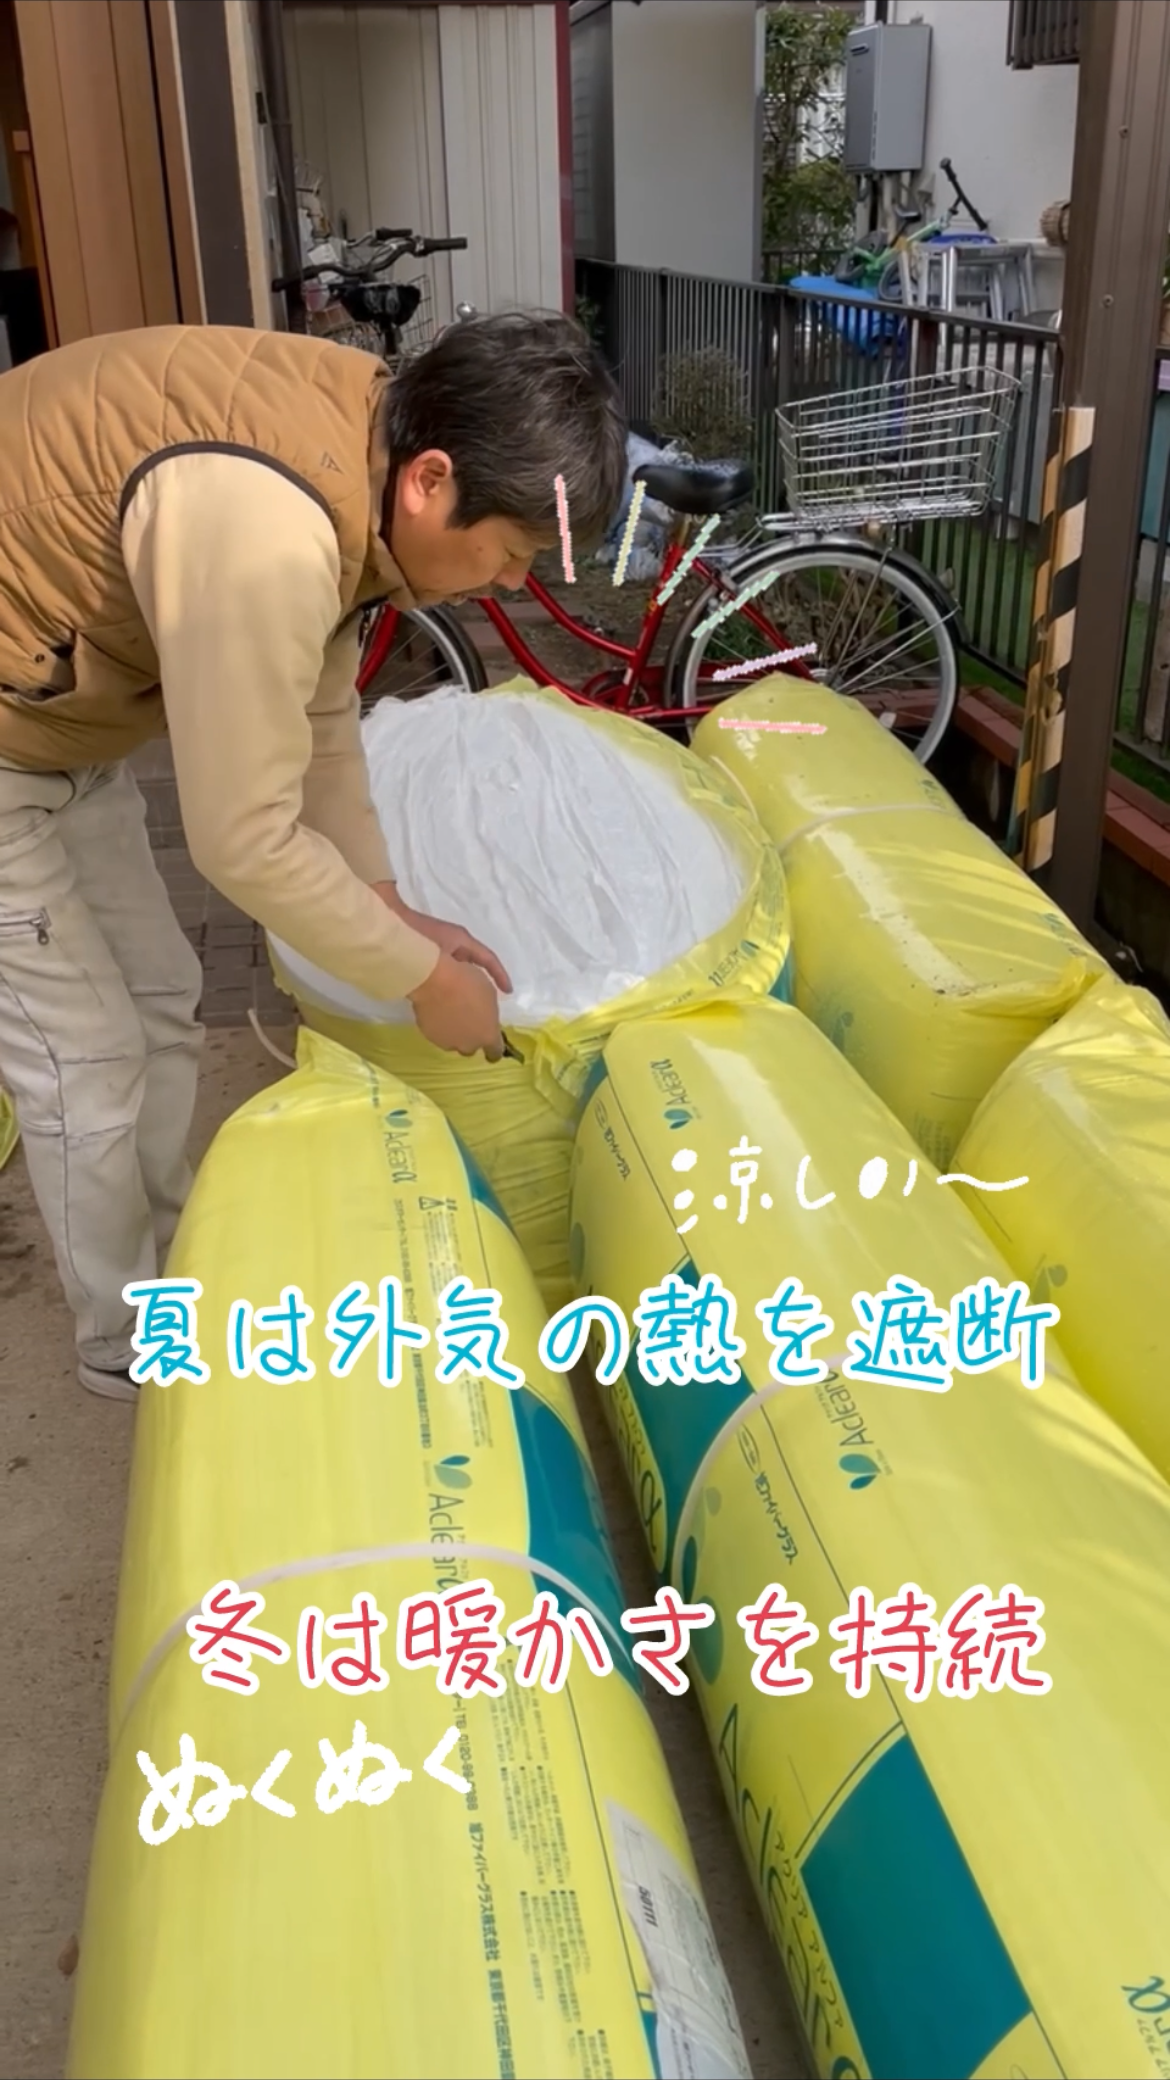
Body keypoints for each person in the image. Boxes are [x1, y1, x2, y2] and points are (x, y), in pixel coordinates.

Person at [0, 311, 627, 1402]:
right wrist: (423, 979)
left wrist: (390, 904)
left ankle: (172, 1266)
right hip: (15, 728)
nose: (508, 585)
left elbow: (321, 722)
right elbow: (240, 836)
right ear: (432, 481)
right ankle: (122, 1341)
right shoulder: (269, 528)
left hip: (63, 720)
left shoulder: (363, 455)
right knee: (86, 1057)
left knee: (163, 993)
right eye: (512, 554)